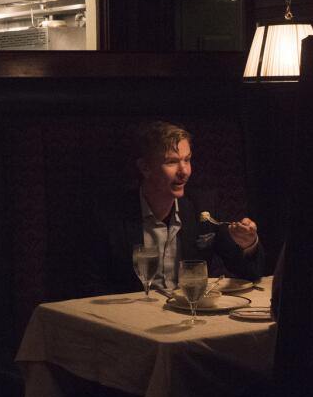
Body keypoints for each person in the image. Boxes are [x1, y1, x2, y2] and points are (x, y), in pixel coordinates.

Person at [75, 120, 264, 296]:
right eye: (171, 162)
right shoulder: (109, 214)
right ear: (145, 168)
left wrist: (248, 244)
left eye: (187, 160)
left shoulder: (203, 206)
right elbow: (89, 288)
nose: (184, 171)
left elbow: (249, 273)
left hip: (189, 313)